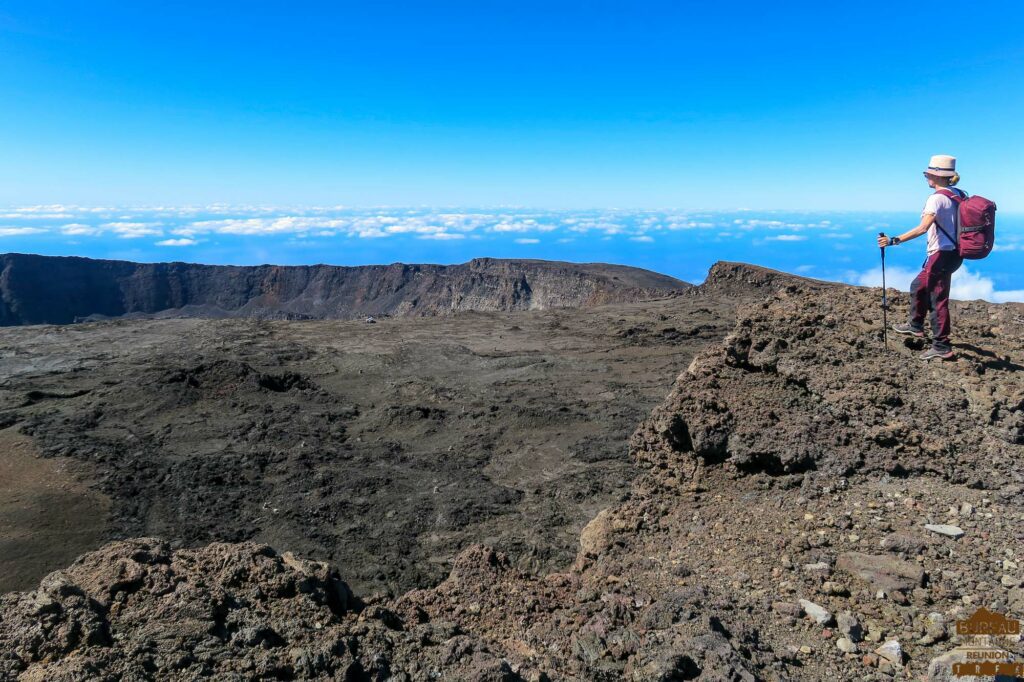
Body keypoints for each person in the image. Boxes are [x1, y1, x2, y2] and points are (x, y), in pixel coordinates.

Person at [877, 154, 964, 361]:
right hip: (953, 253)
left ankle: (942, 346)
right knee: (919, 286)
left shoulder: (936, 199)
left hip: (941, 254)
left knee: (937, 299)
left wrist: (894, 240)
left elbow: (923, 228)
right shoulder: (959, 194)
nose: (926, 178)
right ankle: (915, 326)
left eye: (928, 174)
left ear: (937, 176)